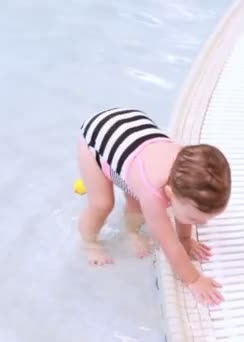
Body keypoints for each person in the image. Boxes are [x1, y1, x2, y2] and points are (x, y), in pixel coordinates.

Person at [76, 107, 232, 306]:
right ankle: (88, 242)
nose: (201, 224)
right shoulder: (152, 193)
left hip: (132, 139)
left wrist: (186, 239)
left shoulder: (186, 170)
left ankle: (132, 232)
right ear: (168, 193)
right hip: (96, 139)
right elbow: (169, 244)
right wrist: (194, 279)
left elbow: (180, 213)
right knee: (102, 204)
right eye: (195, 219)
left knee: (136, 197)